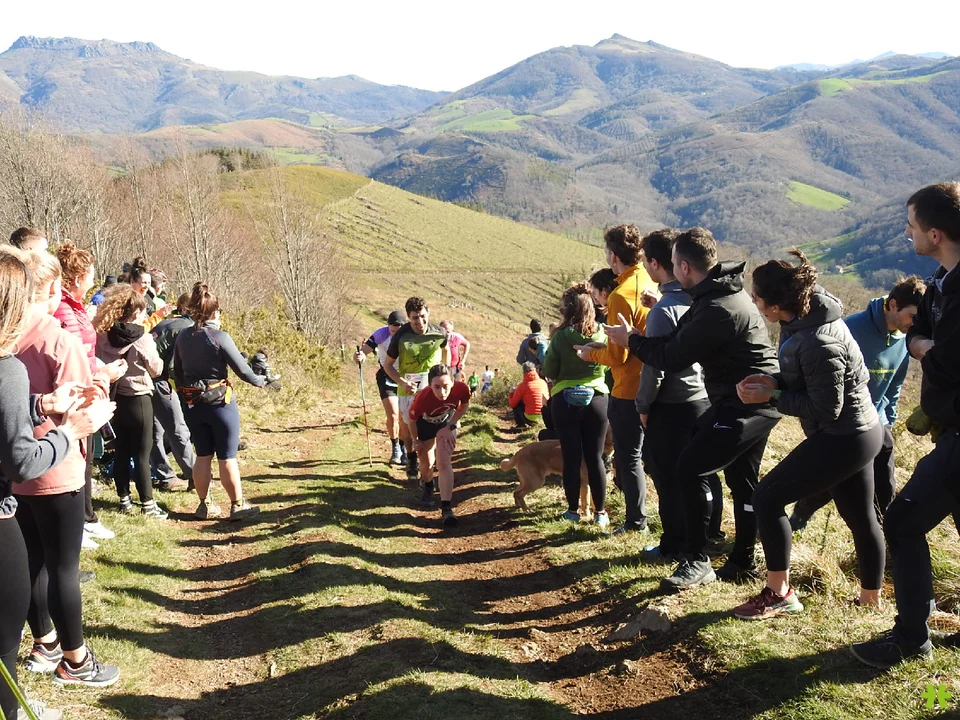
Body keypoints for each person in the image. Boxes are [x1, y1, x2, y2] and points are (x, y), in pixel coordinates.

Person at [605, 227, 781, 591]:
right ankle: (742, 560)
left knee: (690, 467)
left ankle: (697, 559)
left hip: (748, 403)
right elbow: (675, 340)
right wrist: (641, 335)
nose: (671, 270)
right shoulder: (717, 293)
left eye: (673, 264)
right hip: (751, 400)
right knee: (742, 480)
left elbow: (671, 356)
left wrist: (631, 339)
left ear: (684, 267)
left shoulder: (717, 307)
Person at [733, 252, 884, 619]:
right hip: (860, 431)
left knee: (767, 498)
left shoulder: (818, 339)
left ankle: (779, 593)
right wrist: (774, 381)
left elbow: (825, 407)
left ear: (775, 305)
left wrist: (773, 395)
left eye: (756, 297)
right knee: (860, 516)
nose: (753, 301)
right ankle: (870, 603)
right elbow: (809, 378)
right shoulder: (803, 317)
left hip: (844, 436)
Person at [0, 248, 117, 720]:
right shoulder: (43, 345)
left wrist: (42, 404)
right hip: (50, 471)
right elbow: (22, 456)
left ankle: (45, 643)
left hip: (21, 488)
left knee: (29, 565)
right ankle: (75, 658)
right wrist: (75, 426)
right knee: (60, 568)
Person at [851, 183, 960, 668]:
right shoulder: (941, 281)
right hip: (949, 425)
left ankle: (911, 637)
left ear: (935, 234)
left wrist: (925, 349)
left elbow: (947, 363)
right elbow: (926, 336)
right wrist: (924, 344)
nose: (906, 232)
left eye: (912, 226)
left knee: (901, 521)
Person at [790, 275, 926, 530]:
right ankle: (800, 515)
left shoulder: (904, 338)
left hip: (878, 422)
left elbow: (895, 385)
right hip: (845, 423)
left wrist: (889, 419)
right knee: (835, 478)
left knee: (885, 483)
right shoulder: (852, 329)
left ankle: (886, 533)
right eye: (912, 316)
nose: (914, 324)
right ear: (893, 305)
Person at [633, 228, 720, 561]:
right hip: (704, 400)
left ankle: (674, 544)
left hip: (672, 405)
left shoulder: (663, 311)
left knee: (668, 478)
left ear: (658, 263)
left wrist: (643, 405)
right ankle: (707, 536)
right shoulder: (701, 301)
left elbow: (655, 367)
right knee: (702, 474)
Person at [576, 225, 658, 535]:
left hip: (628, 388)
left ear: (612, 256)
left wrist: (590, 354)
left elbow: (618, 355)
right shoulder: (648, 280)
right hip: (654, 382)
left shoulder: (620, 295)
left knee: (629, 457)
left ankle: (636, 521)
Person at [174, 283, 266, 521]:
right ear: (214, 312)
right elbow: (243, 371)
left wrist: (187, 395)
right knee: (227, 456)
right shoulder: (220, 337)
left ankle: (204, 505)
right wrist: (261, 381)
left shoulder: (183, 336)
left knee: (203, 455)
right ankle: (237, 506)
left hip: (194, 404)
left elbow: (178, 371)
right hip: (220, 404)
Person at [53, 241, 119, 546]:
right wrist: (101, 375)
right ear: (79, 277)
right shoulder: (64, 310)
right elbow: (71, 356)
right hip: (78, 394)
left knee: (86, 459)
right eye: (91, 274)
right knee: (74, 460)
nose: (94, 279)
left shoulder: (76, 307)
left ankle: (85, 518)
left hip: (89, 389)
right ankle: (74, 526)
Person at [94, 284, 167, 518]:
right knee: (143, 453)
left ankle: (124, 499)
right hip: (139, 398)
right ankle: (148, 504)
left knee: (122, 451)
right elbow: (156, 369)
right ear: (135, 312)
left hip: (115, 398)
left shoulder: (103, 334)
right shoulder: (142, 337)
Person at [543, 283, 611, 527]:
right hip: (598, 399)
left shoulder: (560, 336)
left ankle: (573, 512)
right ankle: (600, 513)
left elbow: (549, 370)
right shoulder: (603, 334)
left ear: (569, 310)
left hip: (565, 400)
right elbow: (608, 365)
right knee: (596, 458)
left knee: (571, 458)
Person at [383, 297, 449, 487]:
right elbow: (388, 365)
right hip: (408, 389)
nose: (419, 322)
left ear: (428, 313)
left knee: (430, 429)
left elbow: (446, 350)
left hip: (432, 388)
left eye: (422, 316)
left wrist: (445, 373)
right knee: (407, 428)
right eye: (414, 318)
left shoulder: (439, 332)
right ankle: (411, 457)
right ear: (408, 318)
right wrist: (402, 382)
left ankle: (427, 470)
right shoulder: (401, 336)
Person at [409, 363, 471, 526]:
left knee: (444, 463)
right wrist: (416, 441)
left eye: (446, 386)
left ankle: (446, 508)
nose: (442, 392)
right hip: (425, 425)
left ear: (453, 382)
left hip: (446, 422)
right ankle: (428, 484)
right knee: (427, 464)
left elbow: (464, 406)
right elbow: (412, 420)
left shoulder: (461, 389)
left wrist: (451, 425)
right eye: (437, 387)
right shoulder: (422, 398)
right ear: (430, 385)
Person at [150, 293, 197, 491]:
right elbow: (172, 365)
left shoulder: (168, 322)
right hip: (157, 380)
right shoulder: (187, 328)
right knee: (178, 429)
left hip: (139, 381)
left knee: (154, 432)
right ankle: (195, 476)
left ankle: (166, 477)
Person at [354, 310, 409, 465]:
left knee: (404, 417)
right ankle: (395, 447)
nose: (395, 335)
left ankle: (404, 447)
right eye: (393, 331)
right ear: (388, 326)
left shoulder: (409, 334)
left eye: (398, 332)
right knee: (393, 415)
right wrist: (359, 357)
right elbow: (364, 352)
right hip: (386, 376)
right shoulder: (381, 334)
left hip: (405, 378)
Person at [508, 361, 549, 429]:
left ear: (524, 372)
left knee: (518, 404)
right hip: (544, 417)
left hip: (530, 418)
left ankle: (521, 425)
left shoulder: (523, 385)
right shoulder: (543, 383)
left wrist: (511, 393)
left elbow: (512, 404)